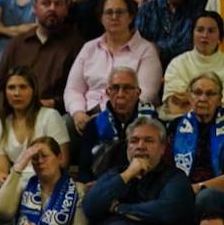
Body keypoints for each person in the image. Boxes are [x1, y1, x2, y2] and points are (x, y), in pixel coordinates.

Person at [66, 0, 164, 140]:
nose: (114, 17)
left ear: (130, 17)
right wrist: (78, 112)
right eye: (109, 12)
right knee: (65, 122)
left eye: (120, 12)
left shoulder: (146, 50)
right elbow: (73, 89)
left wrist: (110, 115)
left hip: (126, 115)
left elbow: (146, 94)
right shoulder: (89, 48)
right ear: (101, 18)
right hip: (87, 113)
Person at [0, 0, 84, 113]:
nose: (52, 8)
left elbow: (81, 92)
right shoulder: (17, 44)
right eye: (46, 3)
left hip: (53, 114)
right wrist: (12, 104)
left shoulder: (77, 46)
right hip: (14, 113)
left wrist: (53, 103)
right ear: (35, 8)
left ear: (66, 9)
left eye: (58, 4)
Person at [74, 66, 156, 180]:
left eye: (127, 88)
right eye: (115, 88)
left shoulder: (153, 123)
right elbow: (84, 171)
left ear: (138, 93)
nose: (120, 94)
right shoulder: (94, 125)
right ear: (108, 92)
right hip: (102, 186)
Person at [0, 67, 71, 183]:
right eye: (11, 88)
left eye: (23, 87)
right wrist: (3, 179)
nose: (16, 93)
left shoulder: (50, 117)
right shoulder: (1, 125)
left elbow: (62, 161)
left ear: (34, 91)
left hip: (47, 183)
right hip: (15, 184)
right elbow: (0, 170)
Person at [168, 73, 224, 214]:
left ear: (219, 99)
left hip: (216, 194)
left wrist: (197, 188)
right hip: (181, 192)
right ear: (189, 96)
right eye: (197, 93)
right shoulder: (175, 126)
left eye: (210, 94)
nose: (203, 98)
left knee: (206, 197)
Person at [161, 14, 224, 120]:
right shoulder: (178, 63)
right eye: (200, 30)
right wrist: (214, 103)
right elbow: (174, 107)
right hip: (180, 123)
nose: (205, 35)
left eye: (211, 31)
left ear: (220, 37)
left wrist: (189, 99)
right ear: (192, 34)